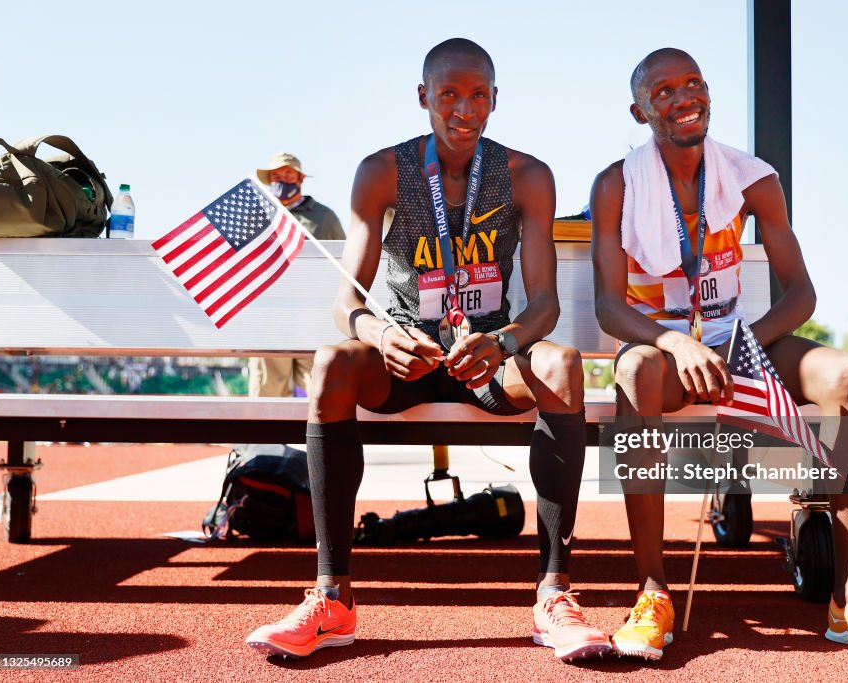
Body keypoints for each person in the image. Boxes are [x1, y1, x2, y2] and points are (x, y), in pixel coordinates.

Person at [245, 38, 611, 662]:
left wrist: (503, 342)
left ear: (495, 100)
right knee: (333, 361)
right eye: (447, 95)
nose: (462, 110)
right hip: (407, 359)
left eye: (476, 96)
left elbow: (544, 304)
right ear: (423, 97)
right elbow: (347, 301)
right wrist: (381, 334)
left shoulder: (527, 174)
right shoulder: (382, 170)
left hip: (486, 361)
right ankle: (332, 596)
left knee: (564, 363)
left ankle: (555, 594)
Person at [590, 48, 848, 661]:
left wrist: (738, 343)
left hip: (739, 345)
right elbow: (607, 307)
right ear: (640, 109)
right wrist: (677, 341)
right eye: (665, 90)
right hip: (664, 351)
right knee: (636, 370)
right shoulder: (616, 183)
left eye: (694, 83)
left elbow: (802, 293)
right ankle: (653, 594)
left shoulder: (752, 177)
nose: (684, 97)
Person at [249, 152, 345, 398]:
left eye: (288, 174)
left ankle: (321, 437)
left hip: (312, 315)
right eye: (276, 176)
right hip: (270, 315)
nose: (282, 179)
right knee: (267, 393)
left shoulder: (324, 217)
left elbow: (345, 260)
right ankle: (266, 438)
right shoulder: (258, 216)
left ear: (300, 179)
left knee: (322, 388)